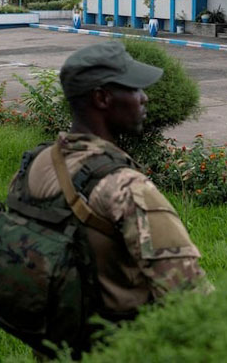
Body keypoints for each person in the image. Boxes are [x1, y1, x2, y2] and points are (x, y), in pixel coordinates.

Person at [18, 40, 209, 324]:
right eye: (134, 89)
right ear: (102, 99)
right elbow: (194, 301)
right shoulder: (126, 189)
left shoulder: (38, 161)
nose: (144, 98)